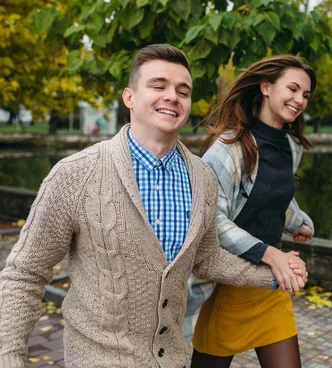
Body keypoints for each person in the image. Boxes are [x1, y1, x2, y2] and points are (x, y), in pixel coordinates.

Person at [0, 44, 307, 368]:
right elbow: (24, 276)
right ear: (129, 97)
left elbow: (207, 258)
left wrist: (272, 276)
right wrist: (8, 358)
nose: (172, 96)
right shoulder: (74, 175)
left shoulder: (201, 178)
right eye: (158, 86)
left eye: (182, 90)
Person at [190, 55, 316, 368]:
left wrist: (299, 222)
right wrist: (272, 254)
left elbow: (274, 195)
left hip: (269, 285)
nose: (300, 100)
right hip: (226, 286)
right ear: (265, 87)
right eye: (293, 89)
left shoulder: (292, 147)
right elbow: (212, 221)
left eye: (306, 95)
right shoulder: (227, 148)